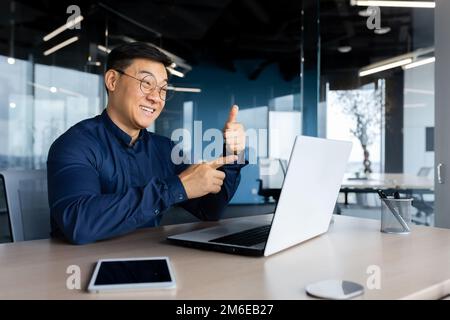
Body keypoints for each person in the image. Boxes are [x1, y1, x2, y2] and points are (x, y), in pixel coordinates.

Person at [47, 42, 246, 245]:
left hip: (148, 258)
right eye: (146, 83)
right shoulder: (75, 144)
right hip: (81, 267)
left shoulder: (164, 149)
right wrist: (174, 188)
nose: (155, 98)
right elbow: (79, 223)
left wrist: (233, 151)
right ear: (113, 81)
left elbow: (209, 210)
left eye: (163, 89)